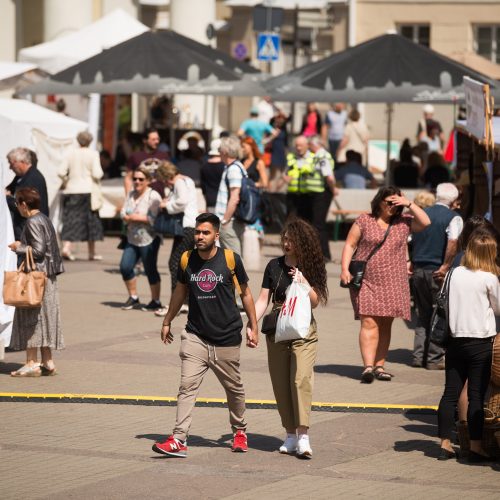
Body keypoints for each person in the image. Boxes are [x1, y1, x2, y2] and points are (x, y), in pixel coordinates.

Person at [152, 213, 258, 457]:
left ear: (216, 235)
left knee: (234, 389)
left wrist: (253, 325)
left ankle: (240, 431)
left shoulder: (230, 259)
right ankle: (179, 439)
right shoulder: (187, 259)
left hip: (226, 337)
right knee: (187, 386)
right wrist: (168, 320)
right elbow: (180, 292)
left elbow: (246, 294)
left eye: (205, 232)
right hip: (195, 336)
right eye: (198, 232)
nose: (199, 236)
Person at [254, 218, 328, 458]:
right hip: (277, 329)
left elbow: (315, 302)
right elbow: (263, 299)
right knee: (280, 383)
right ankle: (290, 435)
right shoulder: (273, 266)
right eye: (284, 239)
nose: (286, 243)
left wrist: (304, 283)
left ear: (301, 242)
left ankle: (304, 436)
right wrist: (251, 323)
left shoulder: (311, 265)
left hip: (303, 329)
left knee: (300, 379)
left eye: (291, 240)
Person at [341, 187, 431, 382]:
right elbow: (350, 244)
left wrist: (408, 203)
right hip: (366, 279)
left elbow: (425, 222)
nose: (392, 206)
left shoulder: (404, 222)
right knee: (369, 322)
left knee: (385, 324)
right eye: (388, 202)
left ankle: (379, 366)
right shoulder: (365, 219)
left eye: (395, 202)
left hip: (394, 281)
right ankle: (367, 367)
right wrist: (344, 269)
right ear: (379, 201)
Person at [437, 231, 500, 463]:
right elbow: (498, 308)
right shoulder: (489, 278)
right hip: (480, 343)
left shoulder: (453, 273)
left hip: (454, 340)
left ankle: (444, 443)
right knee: (475, 395)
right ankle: (475, 447)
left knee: (450, 393)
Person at [8, 187, 64, 377]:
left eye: (17, 203)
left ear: (24, 204)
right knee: (44, 319)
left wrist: (19, 247)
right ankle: (47, 362)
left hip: (35, 278)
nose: (17, 207)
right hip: (47, 277)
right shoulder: (45, 218)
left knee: (31, 319)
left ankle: (31, 362)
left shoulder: (32, 221)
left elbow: (38, 251)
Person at [410, 183, 463, 370]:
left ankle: (417, 356)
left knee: (422, 313)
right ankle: (433, 358)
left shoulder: (422, 214)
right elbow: (453, 242)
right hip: (437, 271)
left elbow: (410, 239)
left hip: (418, 270)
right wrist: (446, 265)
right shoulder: (453, 218)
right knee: (439, 313)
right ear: (454, 200)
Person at [154, 161, 198, 317]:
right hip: (192, 225)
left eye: (165, 179)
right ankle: (185, 301)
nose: (166, 183)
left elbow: (181, 202)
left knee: (174, 263)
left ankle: (176, 303)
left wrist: (166, 205)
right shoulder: (188, 180)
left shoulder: (179, 182)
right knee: (185, 265)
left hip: (186, 226)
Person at [119, 165, 163, 311]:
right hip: (132, 238)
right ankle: (133, 297)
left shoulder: (153, 196)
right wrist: (126, 216)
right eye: (135, 179)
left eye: (141, 179)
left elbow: (153, 218)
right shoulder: (131, 194)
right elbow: (123, 211)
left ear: (148, 181)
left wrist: (133, 217)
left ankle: (155, 301)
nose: (137, 181)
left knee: (150, 269)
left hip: (149, 238)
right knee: (125, 267)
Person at [58, 131, 104, 261]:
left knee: (71, 219)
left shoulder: (70, 153)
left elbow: (61, 171)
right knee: (91, 221)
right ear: (90, 141)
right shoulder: (93, 154)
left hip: (71, 189)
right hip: (87, 190)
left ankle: (66, 248)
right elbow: (97, 173)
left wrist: (67, 180)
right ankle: (92, 252)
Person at [6, 148, 49, 240]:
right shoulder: (21, 177)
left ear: (21, 161)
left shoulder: (33, 178)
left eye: (11, 163)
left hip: (32, 230)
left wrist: (7, 198)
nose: (10, 167)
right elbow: (9, 189)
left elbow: (24, 206)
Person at [215, 136, 247, 255]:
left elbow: (234, 197)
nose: (219, 152)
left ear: (225, 151)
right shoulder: (235, 166)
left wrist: (225, 220)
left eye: (220, 149)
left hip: (230, 221)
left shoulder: (233, 169)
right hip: (233, 220)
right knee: (230, 260)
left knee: (233, 260)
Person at [306, 136, 337, 260]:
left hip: (323, 192)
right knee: (317, 223)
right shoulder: (318, 156)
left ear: (315, 145)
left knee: (319, 224)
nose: (309, 147)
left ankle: (325, 254)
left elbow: (329, 176)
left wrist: (334, 189)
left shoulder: (322, 157)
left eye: (310, 145)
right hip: (318, 192)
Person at [124, 128, 169, 195]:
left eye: (158, 139)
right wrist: (128, 198)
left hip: (159, 198)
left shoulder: (164, 156)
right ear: (145, 140)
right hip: (140, 198)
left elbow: (169, 176)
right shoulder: (135, 156)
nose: (157, 141)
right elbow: (128, 178)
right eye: (153, 139)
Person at [283, 135, 315, 219]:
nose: (298, 148)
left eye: (301, 145)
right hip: (292, 194)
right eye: (297, 145)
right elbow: (284, 173)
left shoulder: (313, 158)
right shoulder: (291, 157)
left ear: (307, 145)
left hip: (307, 194)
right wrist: (285, 178)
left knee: (306, 220)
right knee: (291, 220)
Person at [200, 139, 225, 213]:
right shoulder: (225, 166)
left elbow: (203, 187)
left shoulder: (204, 166)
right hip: (223, 200)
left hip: (210, 200)